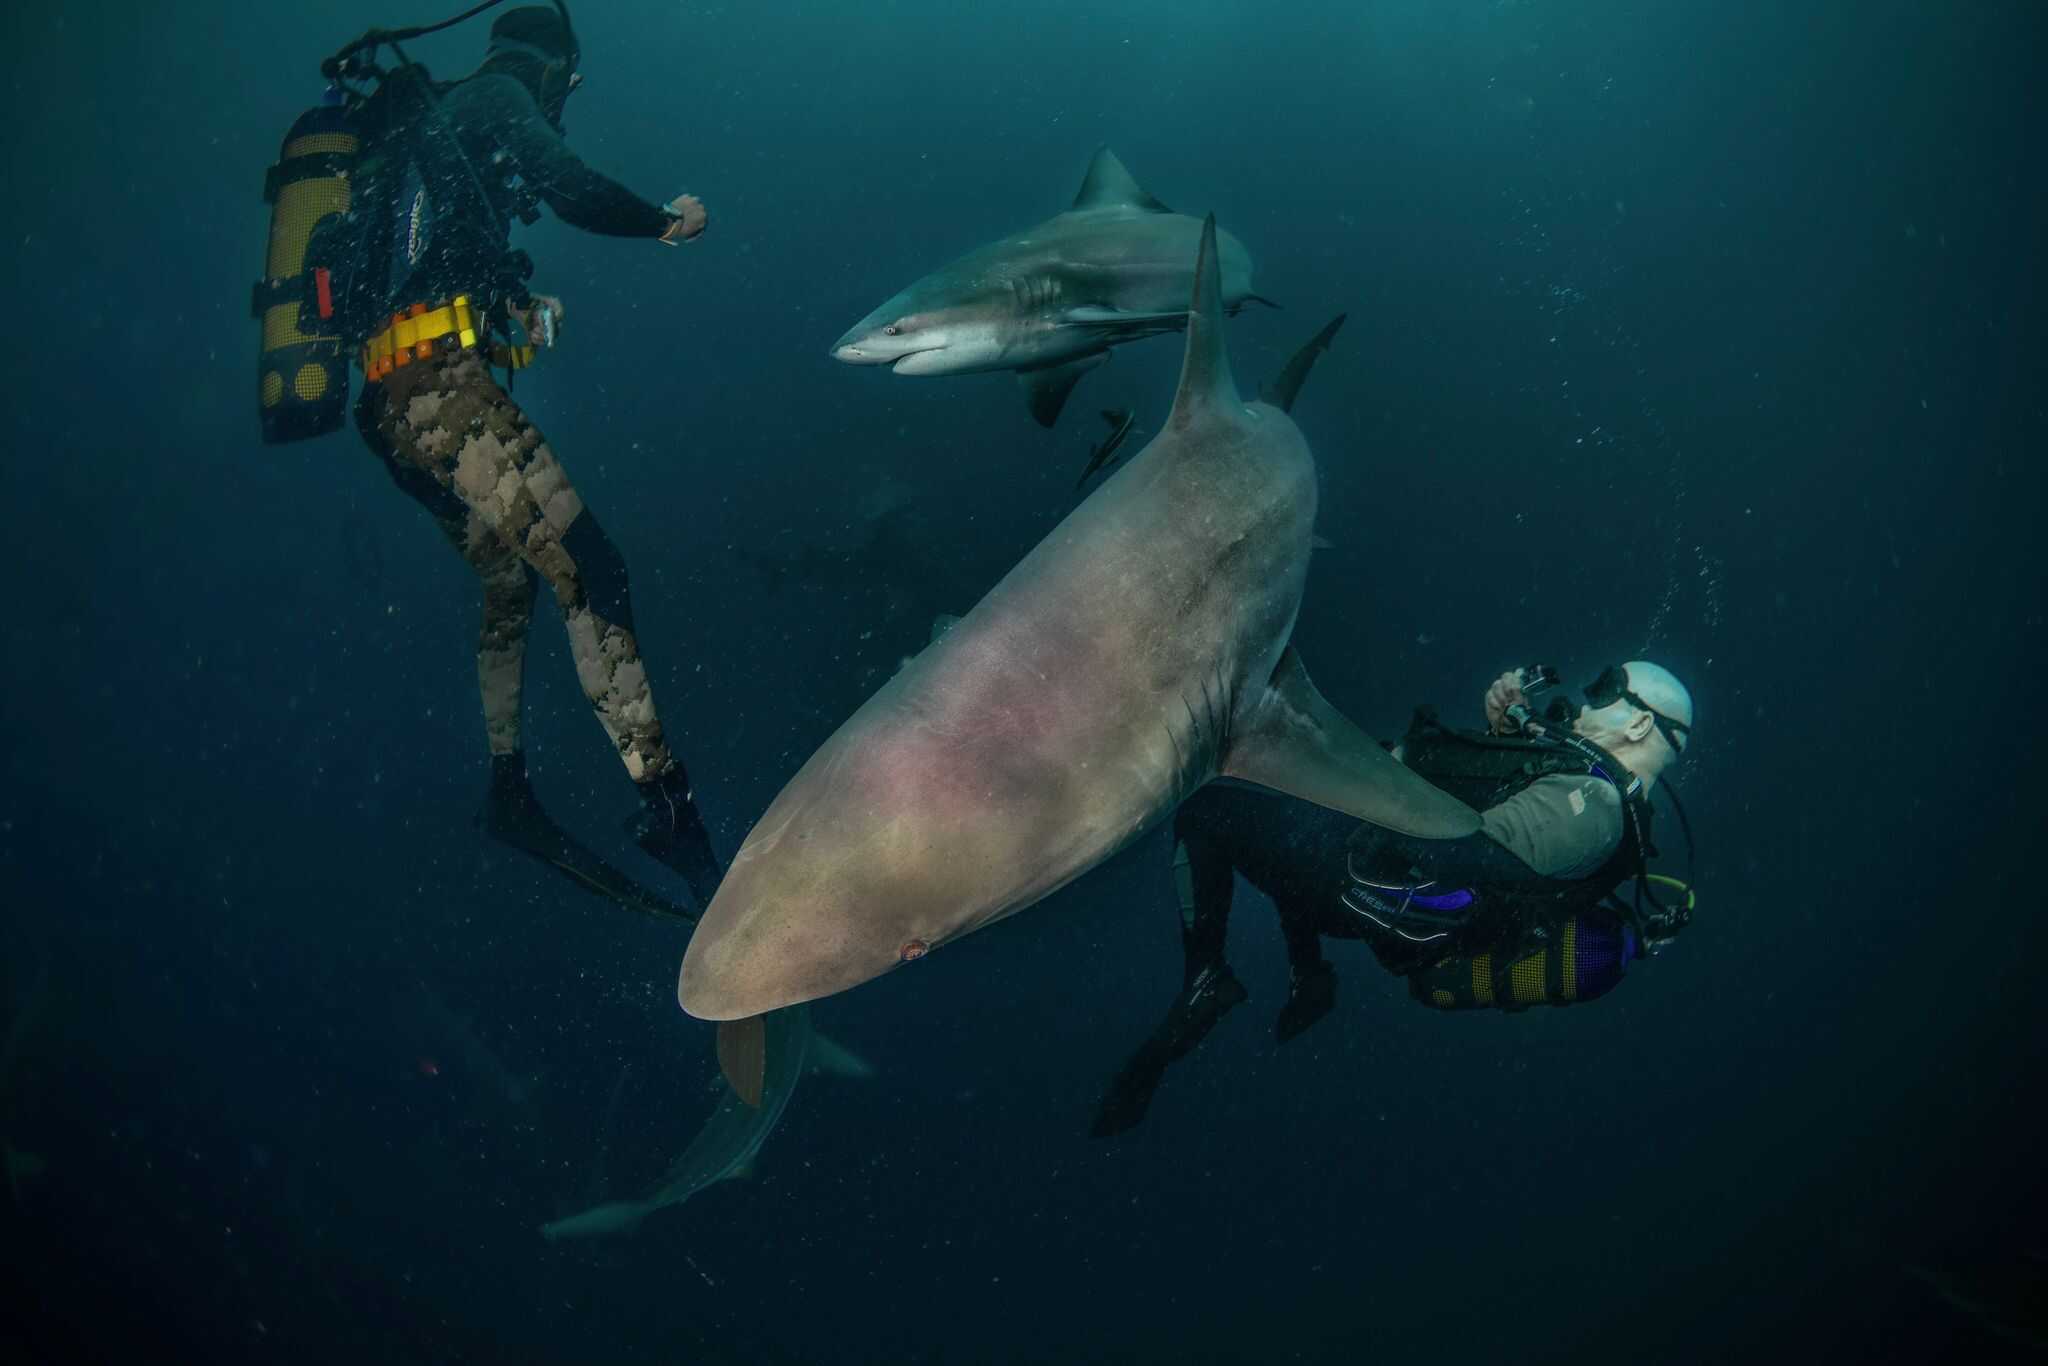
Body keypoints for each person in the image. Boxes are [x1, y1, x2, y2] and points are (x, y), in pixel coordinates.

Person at [322, 6, 722, 914]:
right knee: (593, 571)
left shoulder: (428, 129)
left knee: (511, 580)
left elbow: (399, 281)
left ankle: (509, 789)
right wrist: (665, 223)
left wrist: (506, 306)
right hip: (437, 393)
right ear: (554, 66)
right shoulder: (501, 97)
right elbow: (571, 186)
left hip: (388, 415)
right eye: (568, 85)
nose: (565, 99)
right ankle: (673, 817)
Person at [1092, 661, 1697, 1136]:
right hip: (1375, 897)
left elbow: (1471, 863)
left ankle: (1207, 979)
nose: (1588, 696)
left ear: (1639, 724)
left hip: (1371, 892)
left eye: (1607, 687)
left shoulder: (1593, 806)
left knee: (1210, 805)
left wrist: (1375, 787)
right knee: (1292, 812)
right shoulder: (1592, 796)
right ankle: (1309, 974)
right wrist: (1500, 731)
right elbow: (1494, 842)